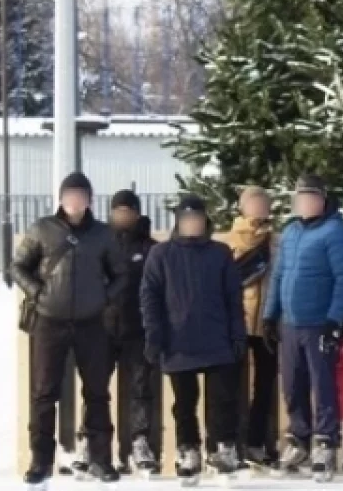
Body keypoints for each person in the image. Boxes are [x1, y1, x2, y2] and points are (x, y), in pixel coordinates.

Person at [13, 172, 127, 488]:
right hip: (49, 321)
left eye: (80, 195)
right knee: (43, 393)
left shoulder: (103, 234)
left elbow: (120, 274)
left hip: (91, 323)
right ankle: (41, 461)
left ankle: (100, 459)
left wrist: (104, 297)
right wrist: (37, 292)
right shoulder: (42, 229)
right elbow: (18, 266)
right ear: (61, 199)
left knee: (97, 392)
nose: (74, 201)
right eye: (69, 195)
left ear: (89, 200)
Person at [140, 195, 248, 484]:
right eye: (187, 218)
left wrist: (237, 334)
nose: (192, 223)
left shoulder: (220, 253)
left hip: (217, 339)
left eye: (197, 218)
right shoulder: (161, 254)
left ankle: (224, 449)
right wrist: (154, 335)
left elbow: (233, 297)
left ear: (205, 221)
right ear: (178, 221)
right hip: (178, 341)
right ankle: (189, 450)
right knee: (184, 404)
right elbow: (149, 297)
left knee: (223, 400)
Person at [262, 173, 343, 481]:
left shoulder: (336, 232)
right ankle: (299, 439)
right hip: (290, 323)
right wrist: (269, 315)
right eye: (299, 198)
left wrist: (335, 319)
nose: (304, 203)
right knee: (292, 384)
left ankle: (326, 442)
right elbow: (278, 275)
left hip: (319, 323)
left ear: (322, 199)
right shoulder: (291, 232)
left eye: (309, 197)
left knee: (322, 384)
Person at [93, 189, 159, 476]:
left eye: (128, 211)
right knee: (96, 389)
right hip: (103, 328)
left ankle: (139, 442)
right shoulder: (99, 245)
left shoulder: (150, 248)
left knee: (140, 388)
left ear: (136, 213)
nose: (123, 216)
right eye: (118, 211)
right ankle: (92, 442)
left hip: (137, 329)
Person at [218, 185, 278, 468]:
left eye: (263, 205)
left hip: (267, 322)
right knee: (230, 386)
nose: (258, 210)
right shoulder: (228, 242)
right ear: (242, 208)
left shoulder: (276, 242)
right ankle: (228, 443)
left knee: (264, 387)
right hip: (237, 321)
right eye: (253, 204)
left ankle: (256, 443)